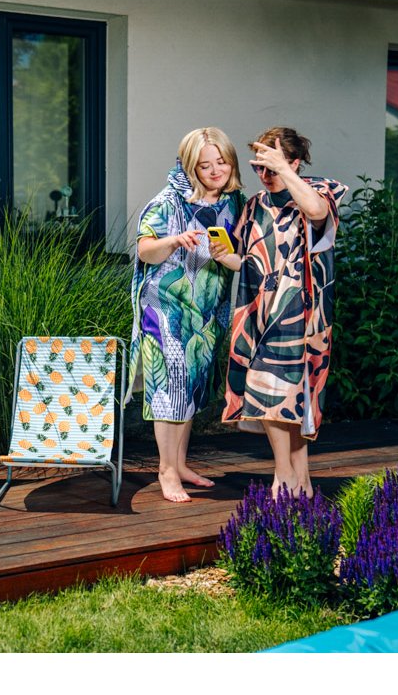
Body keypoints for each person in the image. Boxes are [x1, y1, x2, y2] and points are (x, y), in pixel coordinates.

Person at [211, 127, 348, 500]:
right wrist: (224, 256)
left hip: (303, 315)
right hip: (261, 314)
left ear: (295, 162)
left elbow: (317, 213)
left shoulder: (318, 192)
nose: (264, 174)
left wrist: (284, 171)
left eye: (271, 166)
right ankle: (294, 477)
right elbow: (246, 259)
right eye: (260, 167)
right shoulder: (255, 205)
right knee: (275, 394)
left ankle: (288, 475)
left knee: (293, 396)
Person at [126, 128, 244, 502]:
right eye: (205, 165)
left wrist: (230, 255)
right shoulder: (168, 201)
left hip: (206, 311)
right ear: (190, 166)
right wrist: (175, 240)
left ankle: (179, 464)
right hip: (165, 309)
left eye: (221, 162)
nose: (215, 171)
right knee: (170, 387)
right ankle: (166, 470)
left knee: (190, 388)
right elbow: (145, 250)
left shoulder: (234, 202)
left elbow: (243, 252)